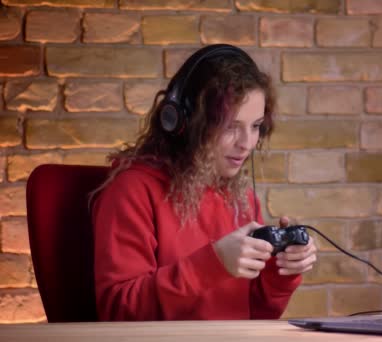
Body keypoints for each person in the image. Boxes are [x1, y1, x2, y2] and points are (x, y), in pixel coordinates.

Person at [91, 44, 317, 321]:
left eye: (256, 126)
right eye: (231, 126)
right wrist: (213, 263)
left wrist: (282, 273)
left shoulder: (241, 197)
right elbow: (118, 312)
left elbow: (254, 316)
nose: (247, 143)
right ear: (185, 123)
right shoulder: (133, 190)